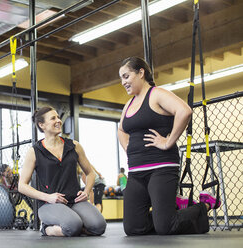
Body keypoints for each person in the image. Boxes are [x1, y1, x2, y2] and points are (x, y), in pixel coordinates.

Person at [117, 57, 220, 236]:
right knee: (133, 228)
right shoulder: (129, 104)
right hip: (136, 172)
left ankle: (204, 205)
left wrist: (168, 141)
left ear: (141, 73)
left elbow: (184, 110)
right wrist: (129, 148)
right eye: (121, 78)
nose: (123, 82)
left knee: (166, 227)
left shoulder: (157, 94)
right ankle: (169, 211)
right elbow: (121, 129)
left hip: (162, 168)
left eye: (126, 76)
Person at [18, 106, 107, 237]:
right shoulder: (34, 151)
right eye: (53, 118)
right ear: (41, 125)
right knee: (73, 225)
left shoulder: (74, 146)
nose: (58, 120)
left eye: (58, 117)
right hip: (49, 205)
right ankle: (47, 229)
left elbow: (90, 173)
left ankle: (73, 227)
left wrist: (86, 191)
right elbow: (22, 186)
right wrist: (48, 197)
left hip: (75, 201)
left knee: (99, 227)